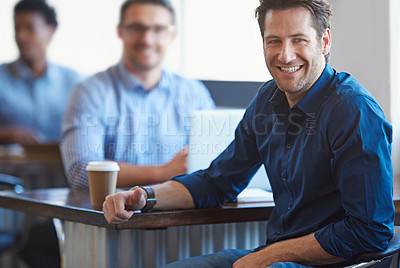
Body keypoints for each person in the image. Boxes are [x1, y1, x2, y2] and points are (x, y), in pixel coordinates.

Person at [102, 0, 395, 267]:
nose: (285, 54)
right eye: (274, 41)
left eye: (299, 40)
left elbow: (369, 231)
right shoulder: (267, 100)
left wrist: (268, 256)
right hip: (275, 255)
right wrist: (144, 197)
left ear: (325, 41)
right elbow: (217, 183)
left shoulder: (354, 110)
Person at [60, 0, 215, 190]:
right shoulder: (90, 92)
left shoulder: (194, 95)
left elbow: (213, 165)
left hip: (178, 214)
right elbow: (82, 174)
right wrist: (164, 172)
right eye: (137, 28)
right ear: (120, 31)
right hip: (107, 218)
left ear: (172, 35)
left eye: (158, 29)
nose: (147, 39)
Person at [0, 0, 83, 145]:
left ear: (51, 31)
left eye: (29, 28)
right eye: (17, 29)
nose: (21, 37)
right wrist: (4, 134)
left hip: (60, 166)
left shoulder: (73, 82)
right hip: (8, 167)